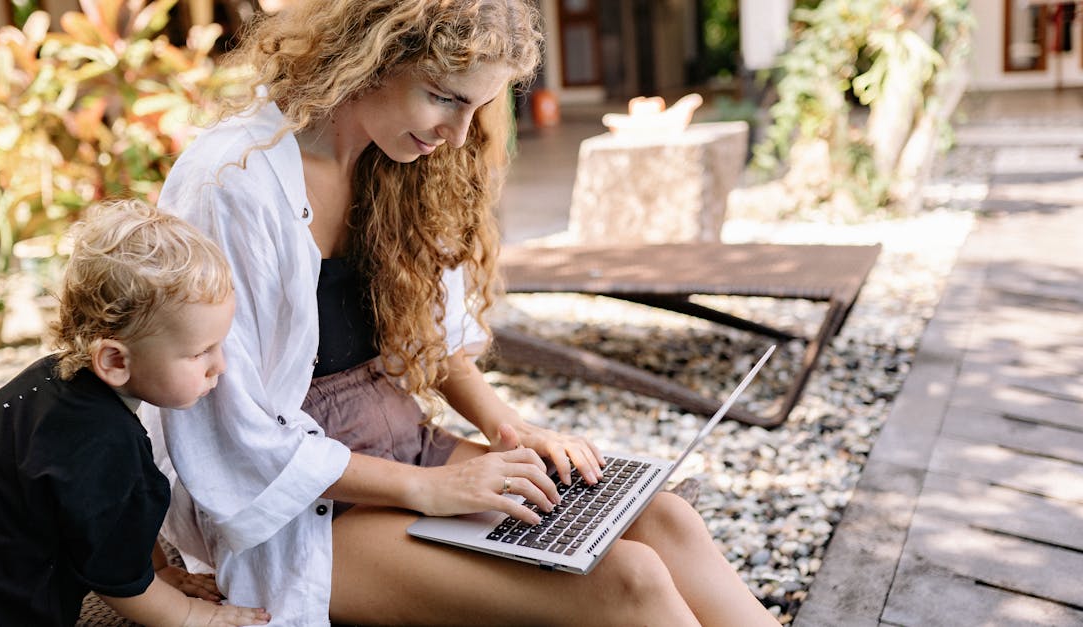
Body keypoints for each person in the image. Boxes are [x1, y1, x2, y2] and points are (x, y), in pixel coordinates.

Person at [145, 1, 778, 625]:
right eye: (446, 97)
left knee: (662, 518)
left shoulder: (395, 164)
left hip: (404, 448)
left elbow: (430, 342)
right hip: (301, 506)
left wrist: (513, 430)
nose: (460, 133)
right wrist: (429, 490)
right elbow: (230, 434)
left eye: (478, 107)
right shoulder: (232, 182)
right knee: (628, 579)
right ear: (368, 55)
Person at [0, 200, 270, 627]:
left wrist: (157, 569)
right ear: (116, 361)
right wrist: (195, 615)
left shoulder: (56, 382)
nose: (221, 366)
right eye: (200, 352)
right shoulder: (100, 441)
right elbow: (117, 579)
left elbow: (106, 513)